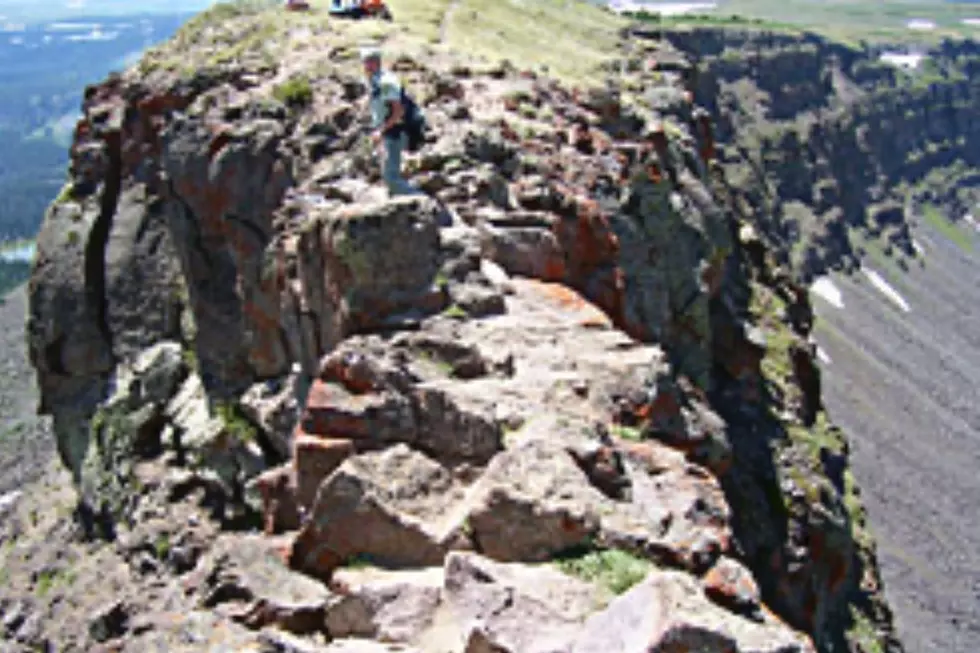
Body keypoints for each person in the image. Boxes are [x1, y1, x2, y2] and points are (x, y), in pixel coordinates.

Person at [361, 45, 421, 197]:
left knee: (391, 178)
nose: (365, 65)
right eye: (364, 62)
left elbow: (397, 110)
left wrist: (381, 130)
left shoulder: (386, 82)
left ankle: (420, 200)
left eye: (368, 62)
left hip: (396, 131)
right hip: (388, 131)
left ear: (375, 63)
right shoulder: (375, 81)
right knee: (388, 172)